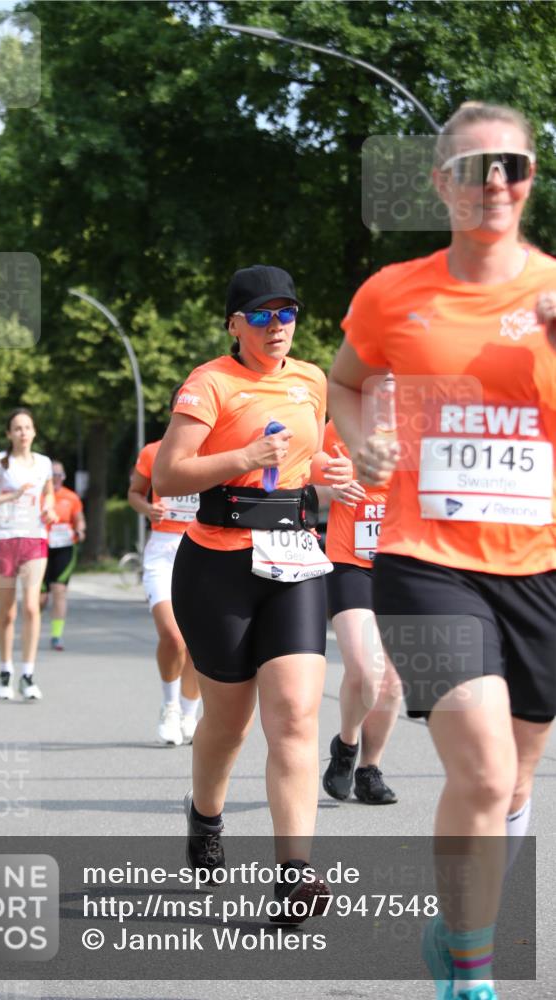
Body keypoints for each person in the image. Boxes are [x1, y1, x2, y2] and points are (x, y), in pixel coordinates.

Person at [328, 102, 556, 1000]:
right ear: (440, 183)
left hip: (538, 565)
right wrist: (363, 440)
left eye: (512, 165)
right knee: (484, 766)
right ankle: (470, 973)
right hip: (424, 561)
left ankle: (450, 924)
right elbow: (348, 382)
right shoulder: (394, 293)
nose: (493, 181)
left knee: (511, 785)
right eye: (472, 167)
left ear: (530, 178)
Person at [154, 264, 344, 923]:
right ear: (234, 323)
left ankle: (294, 876)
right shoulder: (209, 384)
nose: (276, 326)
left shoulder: (310, 379)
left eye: (286, 312)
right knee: (228, 723)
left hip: (290, 557)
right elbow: (167, 472)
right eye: (260, 315)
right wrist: (241, 460)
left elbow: (305, 459)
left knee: (294, 713)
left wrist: (331, 471)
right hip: (215, 566)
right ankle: (205, 817)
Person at [315, 414, 402, 805]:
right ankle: (346, 745)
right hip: (351, 561)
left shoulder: (427, 426)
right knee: (365, 668)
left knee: (392, 682)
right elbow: (301, 471)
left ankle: (369, 769)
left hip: (404, 562)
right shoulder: (337, 426)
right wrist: (330, 489)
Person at [127, 386, 202, 746]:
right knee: (173, 636)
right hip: (163, 551)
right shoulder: (153, 452)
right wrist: (148, 509)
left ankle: (190, 711)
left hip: (204, 549)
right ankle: (170, 707)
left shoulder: (214, 452)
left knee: (199, 642)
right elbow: (134, 494)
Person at [0, 407, 55, 701]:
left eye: (27, 427)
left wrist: (49, 507)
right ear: (9, 433)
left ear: (34, 432)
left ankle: (28, 673)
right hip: (4, 541)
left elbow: (48, 494)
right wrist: (12, 495)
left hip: (34, 539)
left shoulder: (44, 463)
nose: (23, 433)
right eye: (17, 428)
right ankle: (5, 669)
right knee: (8, 611)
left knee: (32, 608)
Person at [40, 461, 86, 651]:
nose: (57, 479)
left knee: (59, 590)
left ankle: (56, 636)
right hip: (41, 547)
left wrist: (81, 530)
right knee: (40, 598)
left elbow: (79, 519)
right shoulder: (39, 496)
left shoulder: (71, 497)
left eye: (60, 475)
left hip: (64, 547)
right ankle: (33, 623)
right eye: (53, 475)